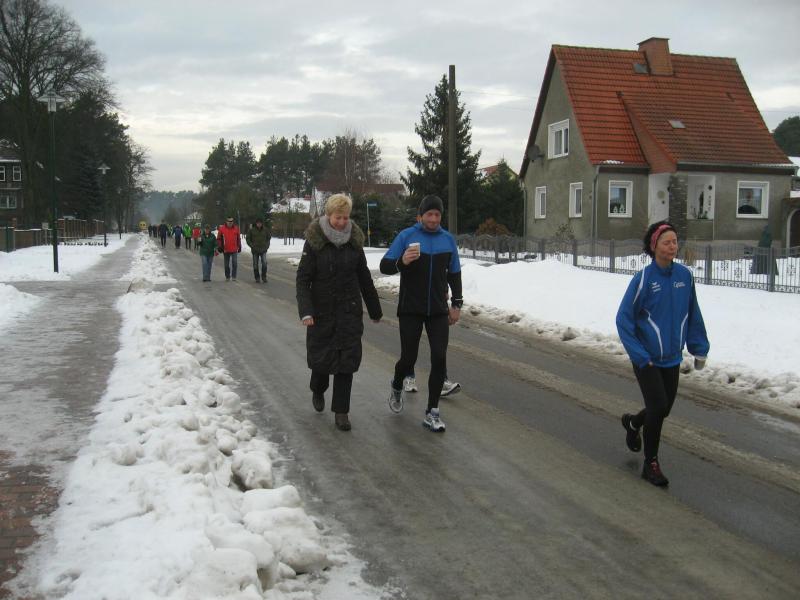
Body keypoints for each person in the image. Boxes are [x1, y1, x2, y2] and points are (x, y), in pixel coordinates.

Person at [616, 220, 710, 487]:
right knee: (658, 407)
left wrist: (699, 347)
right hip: (646, 359)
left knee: (663, 409)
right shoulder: (644, 279)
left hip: (672, 357)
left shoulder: (684, 277)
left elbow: (693, 314)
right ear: (654, 246)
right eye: (667, 242)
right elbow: (623, 319)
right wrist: (639, 355)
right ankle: (651, 464)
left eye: (675, 242)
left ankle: (634, 423)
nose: (672, 246)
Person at [296, 194, 382, 431]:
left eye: (345, 218)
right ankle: (318, 389)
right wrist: (306, 311)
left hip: (348, 312)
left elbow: (364, 277)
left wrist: (375, 309)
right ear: (328, 216)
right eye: (338, 217)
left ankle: (341, 412)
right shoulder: (315, 241)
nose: (343, 222)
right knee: (322, 362)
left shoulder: (354, 241)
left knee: (347, 363)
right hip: (321, 313)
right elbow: (303, 279)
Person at [380, 194, 463, 432]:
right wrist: (402, 261)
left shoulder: (447, 240)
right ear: (420, 216)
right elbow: (385, 266)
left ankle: (432, 412)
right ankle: (397, 384)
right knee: (408, 358)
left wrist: (456, 304)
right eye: (429, 214)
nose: (434, 219)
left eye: (437, 215)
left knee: (439, 357)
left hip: (437, 310)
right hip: (411, 308)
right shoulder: (407, 236)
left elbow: (454, 273)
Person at [246, 218, 271, 283]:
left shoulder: (265, 230)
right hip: (255, 250)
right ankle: (257, 277)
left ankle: (264, 277)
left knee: (264, 263)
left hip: (263, 249)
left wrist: (267, 246)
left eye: (260, 223)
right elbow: (248, 239)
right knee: (255, 264)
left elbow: (268, 238)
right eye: (258, 223)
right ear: (256, 223)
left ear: (262, 223)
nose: (259, 224)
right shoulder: (252, 230)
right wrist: (252, 246)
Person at [217, 217, 241, 281]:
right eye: (229, 221)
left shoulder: (236, 228)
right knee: (226, 265)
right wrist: (220, 246)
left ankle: (234, 276)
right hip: (226, 249)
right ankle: (227, 276)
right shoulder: (222, 229)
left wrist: (239, 246)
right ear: (226, 222)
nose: (230, 223)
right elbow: (218, 239)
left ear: (233, 222)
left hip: (234, 249)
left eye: (231, 221)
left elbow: (238, 238)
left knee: (235, 263)